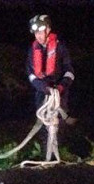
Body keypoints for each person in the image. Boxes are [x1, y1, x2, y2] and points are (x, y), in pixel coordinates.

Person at [25, 14, 75, 158]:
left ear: (48, 30)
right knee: (43, 122)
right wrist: (42, 87)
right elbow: (31, 74)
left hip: (59, 92)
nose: (38, 36)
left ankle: (58, 154)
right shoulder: (33, 50)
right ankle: (45, 155)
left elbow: (69, 71)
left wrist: (61, 86)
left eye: (41, 32)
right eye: (36, 33)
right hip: (42, 91)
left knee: (58, 122)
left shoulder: (60, 48)